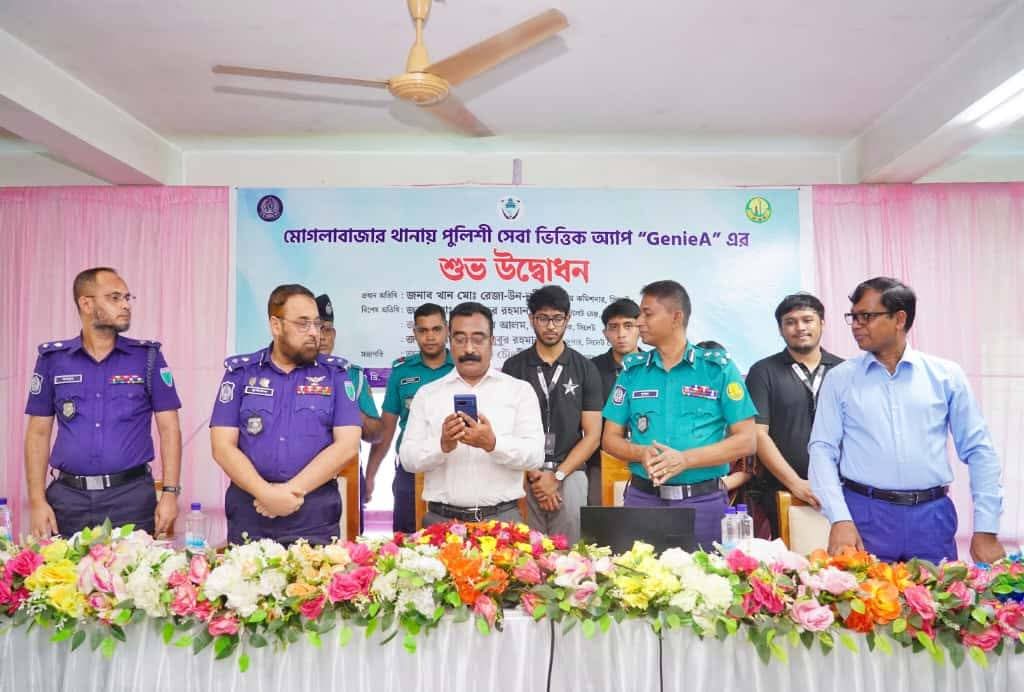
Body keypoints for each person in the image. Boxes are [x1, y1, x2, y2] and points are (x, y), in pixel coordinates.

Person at [809, 277, 1005, 564]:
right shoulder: (840, 379)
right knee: (864, 594)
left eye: (866, 316)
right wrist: (839, 518)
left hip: (931, 518)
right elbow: (822, 450)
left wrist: (986, 528)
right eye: (853, 317)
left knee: (938, 593)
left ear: (899, 319)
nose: (856, 325)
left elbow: (980, 451)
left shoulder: (945, 376)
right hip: (865, 515)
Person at [24, 266, 182, 538]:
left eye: (127, 298)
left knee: (135, 567)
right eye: (114, 298)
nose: (125, 305)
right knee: (62, 567)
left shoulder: (147, 357)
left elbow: (170, 429)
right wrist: (37, 501)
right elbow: (38, 433)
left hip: (130, 499)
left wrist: (169, 493)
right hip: (68, 500)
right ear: (86, 304)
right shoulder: (53, 360)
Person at [601, 280, 757, 549]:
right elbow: (609, 439)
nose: (639, 322)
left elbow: (747, 441)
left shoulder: (717, 369)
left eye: (647, 314)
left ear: (676, 317)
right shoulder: (633, 371)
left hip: (703, 503)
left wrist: (685, 460)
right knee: (637, 575)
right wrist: (640, 453)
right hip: (644, 500)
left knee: (707, 574)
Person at [210, 284, 362, 545]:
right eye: (303, 323)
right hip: (251, 509)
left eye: (317, 323)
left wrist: (290, 493)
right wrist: (265, 494)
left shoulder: (335, 374)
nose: (314, 332)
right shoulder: (241, 373)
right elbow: (222, 446)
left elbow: (348, 445)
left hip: (313, 513)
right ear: (276, 325)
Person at [400, 302, 543, 526]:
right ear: (450, 341)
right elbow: (408, 458)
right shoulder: (428, 395)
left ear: (492, 341)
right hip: (441, 522)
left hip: (503, 522)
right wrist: (442, 445)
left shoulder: (519, 391)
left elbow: (535, 455)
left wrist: (493, 443)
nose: (468, 349)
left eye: (478, 339)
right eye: (460, 339)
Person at [502, 285, 603, 543]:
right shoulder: (513, 367)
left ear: (568, 319)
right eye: (543, 318)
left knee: (570, 554)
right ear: (531, 319)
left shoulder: (585, 368)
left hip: (570, 471)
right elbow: (506, 430)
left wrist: (557, 476)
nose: (550, 326)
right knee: (525, 551)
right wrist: (536, 476)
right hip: (524, 473)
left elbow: (593, 435)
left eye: (557, 318)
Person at [744, 293, 843, 537]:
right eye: (790, 322)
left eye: (807, 320)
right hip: (782, 490)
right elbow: (758, 434)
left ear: (822, 323)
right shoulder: (763, 371)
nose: (800, 327)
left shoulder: (845, 370)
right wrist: (795, 483)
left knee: (849, 558)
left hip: (843, 489)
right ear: (780, 329)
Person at [365, 303, 453, 533]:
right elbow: (386, 429)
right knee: (406, 540)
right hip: (410, 470)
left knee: (452, 540)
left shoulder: (461, 368)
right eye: (423, 330)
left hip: (452, 468)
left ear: (447, 330)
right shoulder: (402, 372)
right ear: (414, 333)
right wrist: (370, 475)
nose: (430, 337)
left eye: (436, 329)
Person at [316, 293, 382, 532]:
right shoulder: (287, 375)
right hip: (301, 474)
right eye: (318, 329)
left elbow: (376, 434)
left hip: (348, 472)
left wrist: (350, 410)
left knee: (350, 543)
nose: (323, 336)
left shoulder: (352, 375)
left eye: (328, 330)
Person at [587, 298, 643, 505]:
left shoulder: (655, 367)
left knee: (647, 520)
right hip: (601, 464)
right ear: (605, 333)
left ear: (640, 328)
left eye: (628, 326)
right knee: (602, 523)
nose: (621, 334)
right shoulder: (591, 369)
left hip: (646, 463)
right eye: (614, 327)